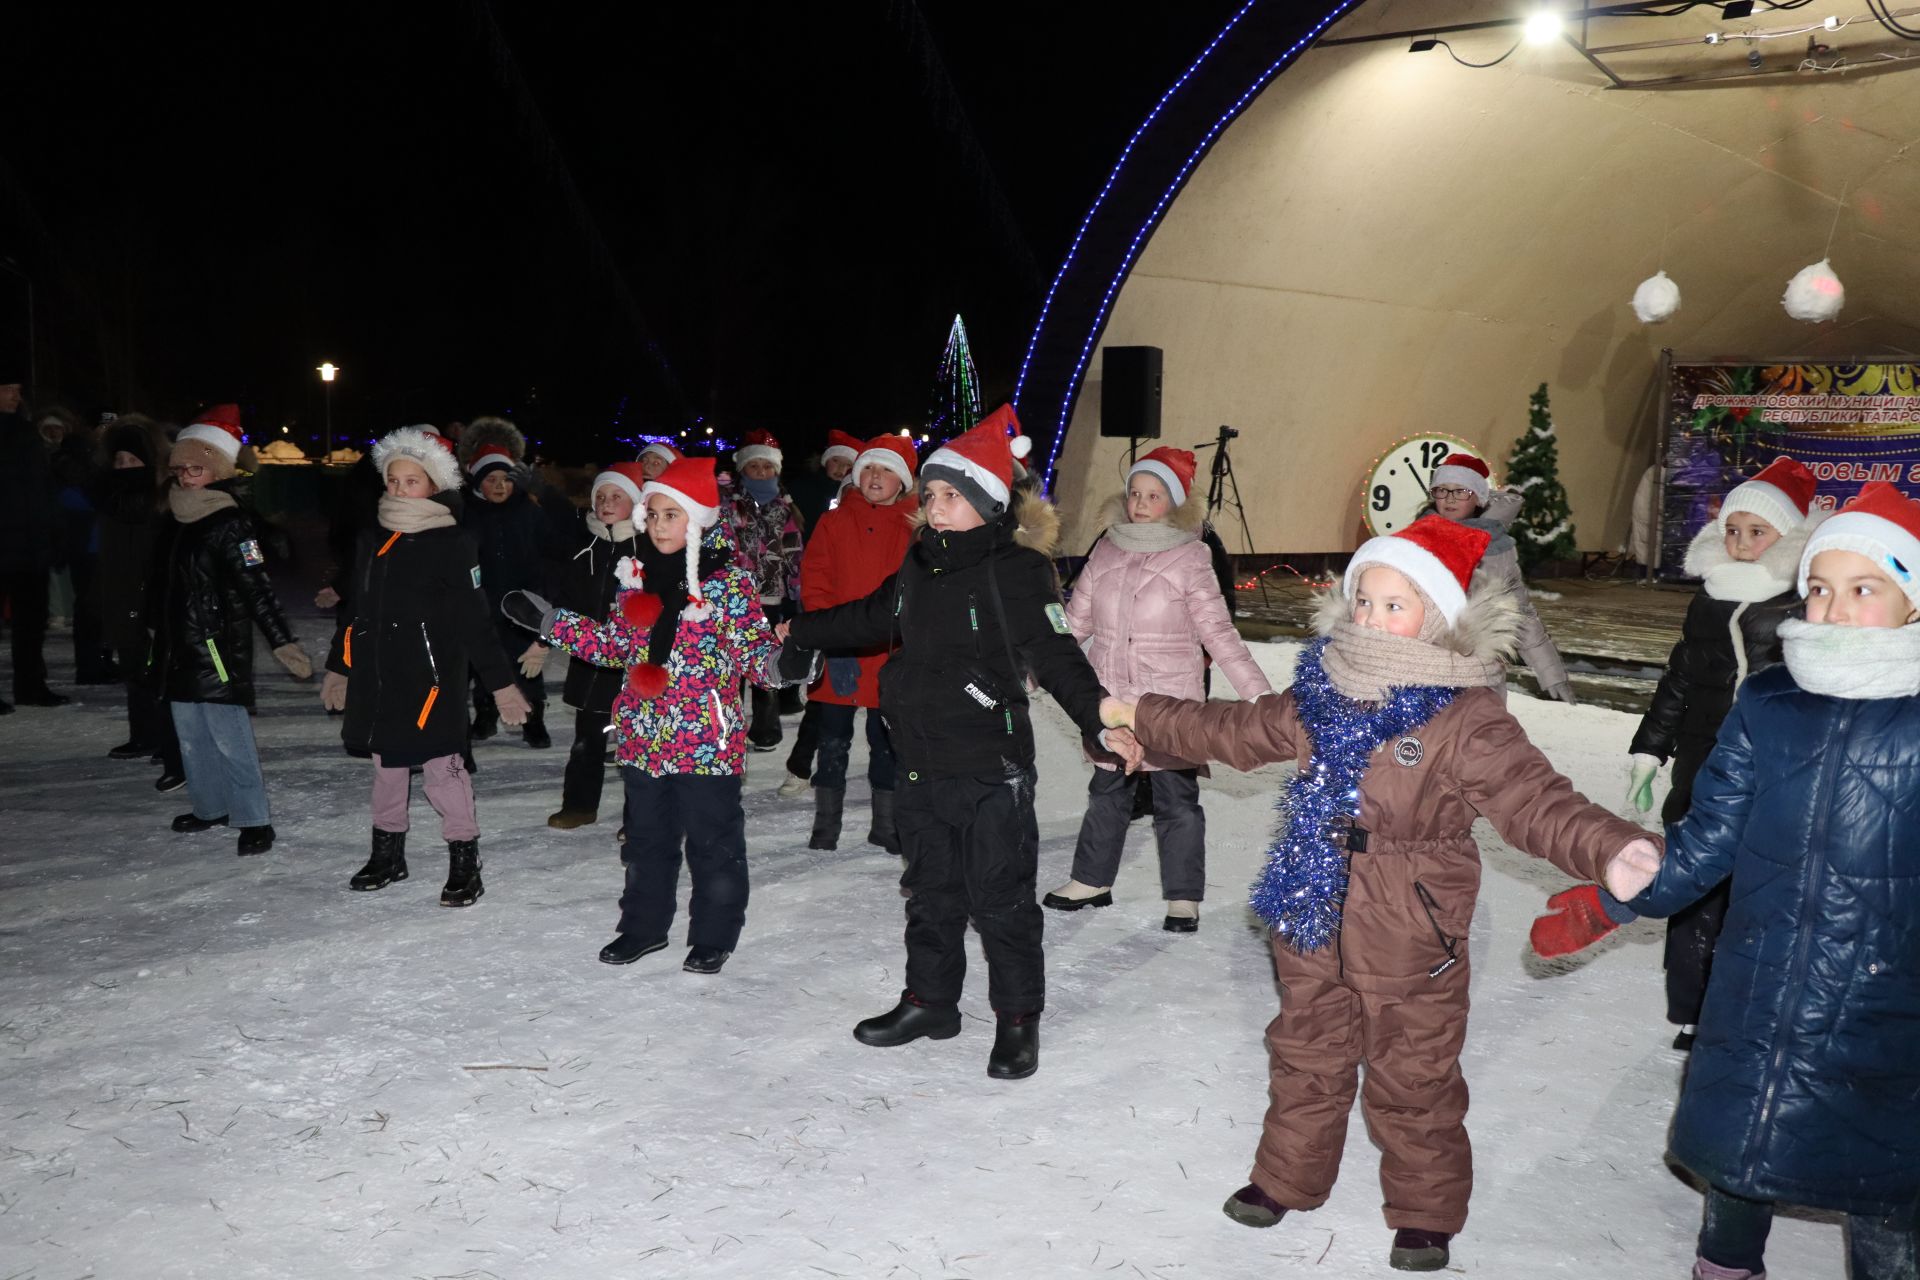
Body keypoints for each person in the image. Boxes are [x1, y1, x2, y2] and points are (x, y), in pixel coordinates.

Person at [1099, 514, 1659, 1273]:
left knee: (1414, 1071)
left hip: (1410, 921)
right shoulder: (1323, 693)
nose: (1372, 619)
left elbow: (1537, 802)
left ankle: (1426, 1212)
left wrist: (1611, 847)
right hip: (1311, 902)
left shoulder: (1465, 717)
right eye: (1365, 600)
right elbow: (1234, 729)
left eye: (1395, 605)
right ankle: (1286, 1178)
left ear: (1435, 617)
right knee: (1305, 1050)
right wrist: (1145, 720)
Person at [1617, 480, 1920, 1280]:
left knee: (1884, 1170)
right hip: (1763, 977)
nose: (1833, 608)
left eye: (1865, 589)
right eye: (1819, 587)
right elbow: (1711, 833)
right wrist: (1620, 894)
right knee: (1744, 1136)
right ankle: (1724, 1265)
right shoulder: (1769, 702)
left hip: (1889, 991)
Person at [782, 408, 1111, 1081]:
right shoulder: (918, 567)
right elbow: (868, 617)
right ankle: (932, 1002)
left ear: (988, 502)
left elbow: (1054, 650)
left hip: (991, 765)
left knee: (1000, 898)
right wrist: (800, 631)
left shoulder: (1016, 570)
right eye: (929, 495)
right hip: (920, 762)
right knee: (930, 891)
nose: (933, 507)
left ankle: (1019, 1021)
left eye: (950, 496)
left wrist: (1097, 718)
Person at [1529, 459, 1818, 1051]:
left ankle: (1752, 1006)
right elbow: (1679, 681)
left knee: (1758, 889)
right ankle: (1692, 1009)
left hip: (1773, 770)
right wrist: (1649, 751)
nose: (1740, 544)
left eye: (1756, 533)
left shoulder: (1801, 602)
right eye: (1732, 531)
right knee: (1695, 884)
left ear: (1787, 536)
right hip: (1702, 762)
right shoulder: (1710, 597)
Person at [502, 456, 816, 974]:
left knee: (713, 845)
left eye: (674, 515)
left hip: (705, 743)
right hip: (643, 738)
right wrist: (552, 623)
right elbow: (614, 645)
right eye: (655, 514)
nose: (661, 524)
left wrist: (786, 664)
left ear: (698, 520)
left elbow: (753, 654)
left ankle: (715, 933)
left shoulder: (727, 585)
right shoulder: (635, 578)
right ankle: (642, 928)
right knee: (646, 841)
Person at [1045, 446, 1274, 932]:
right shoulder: (1106, 546)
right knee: (1106, 791)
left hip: (1170, 702)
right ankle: (1091, 880)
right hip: (1111, 698)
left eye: (1154, 495)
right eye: (1135, 493)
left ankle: (1184, 896)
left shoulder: (1192, 556)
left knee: (1175, 798)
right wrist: (1035, 663)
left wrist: (1258, 694)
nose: (1141, 503)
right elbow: (1075, 621)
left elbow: (1218, 632)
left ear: (1172, 502)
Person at [319, 428, 528, 904]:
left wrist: (502, 687)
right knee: (386, 769)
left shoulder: (453, 543)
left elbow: (476, 620)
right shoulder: (373, 537)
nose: (398, 489)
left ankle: (463, 859)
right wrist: (339, 668)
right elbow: (355, 612)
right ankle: (388, 854)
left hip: (431, 679)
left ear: (433, 486)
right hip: (377, 676)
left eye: (411, 481)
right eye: (392, 480)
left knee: (443, 771)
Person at [145, 405, 311, 856]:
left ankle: (254, 817)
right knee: (191, 737)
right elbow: (161, 585)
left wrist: (282, 640)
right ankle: (209, 805)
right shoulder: (175, 517)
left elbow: (256, 588)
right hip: (179, 645)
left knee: (229, 736)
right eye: (181, 469)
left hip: (217, 646)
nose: (186, 477)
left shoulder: (230, 522)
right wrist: (148, 628)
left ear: (217, 470)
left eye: (196, 468)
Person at [793, 433, 918, 851]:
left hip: (892, 652)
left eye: (885, 469)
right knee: (831, 740)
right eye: (868, 468)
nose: (875, 476)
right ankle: (825, 826)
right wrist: (830, 637)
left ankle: (885, 826)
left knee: (886, 742)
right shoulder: (832, 522)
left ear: (902, 481)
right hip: (839, 648)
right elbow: (815, 579)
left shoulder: (916, 528)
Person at [1425, 452, 1575, 702]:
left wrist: (1551, 673)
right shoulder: (1418, 538)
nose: (1450, 499)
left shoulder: (1497, 550)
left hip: (1480, 672)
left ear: (1479, 498)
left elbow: (1520, 613)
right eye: (1442, 490)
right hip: (1426, 667)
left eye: (1461, 491)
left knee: (1482, 734)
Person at [546, 462, 646, 829]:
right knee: (587, 737)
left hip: (632, 661)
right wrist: (549, 636)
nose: (606, 503)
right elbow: (566, 596)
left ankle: (639, 817)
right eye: (601, 496)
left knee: (637, 741)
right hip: (590, 658)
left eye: (616, 497)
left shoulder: (647, 546)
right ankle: (579, 804)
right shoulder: (582, 544)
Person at [459, 417, 565, 749]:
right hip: (481, 600)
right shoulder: (465, 512)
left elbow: (556, 547)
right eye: (491, 480)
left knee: (527, 666)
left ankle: (534, 720)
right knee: (483, 663)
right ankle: (486, 713)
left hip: (524, 601)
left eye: (506, 479)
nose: (500, 486)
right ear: (479, 483)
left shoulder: (529, 511)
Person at [777, 429, 868, 798]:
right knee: (826, 702)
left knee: (886, 710)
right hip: (835, 622)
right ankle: (800, 766)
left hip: (876, 624)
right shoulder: (820, 507)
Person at [93, 413, 183, 786]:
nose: (126, 468)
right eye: (120, 462)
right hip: (121, 592)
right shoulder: (110, 502)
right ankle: (143, 733)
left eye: (134, 461)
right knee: (133, 666)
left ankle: (168, 741)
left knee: (159, 670)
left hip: (155, 598)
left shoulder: (163, 503)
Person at [725, 429, 805, 750]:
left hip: (772, 599)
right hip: (734, 599)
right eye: (754, 466)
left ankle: (765, 728)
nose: (761, 472)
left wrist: (797, 591)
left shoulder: (785, 508)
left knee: (763, 663)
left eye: (766, 466)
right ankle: (727, 725)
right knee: (731, 664)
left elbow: (795, 552)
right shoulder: (730, 507)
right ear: (743, 469)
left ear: (776, 470)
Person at [0, 372, 65, 710]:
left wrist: (52, 536)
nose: (14, 395)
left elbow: (43, 490)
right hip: (10, 541)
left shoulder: (26, 431)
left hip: (29, 545)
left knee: (31, 623)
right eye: (7, 389)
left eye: (17, 389)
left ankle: (31, 685)